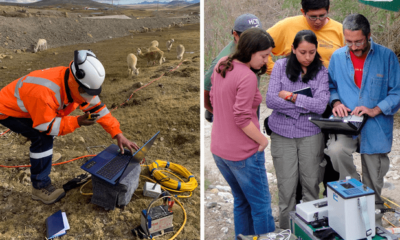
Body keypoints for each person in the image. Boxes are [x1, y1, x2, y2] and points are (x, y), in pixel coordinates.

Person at [0, 50, 139, 205]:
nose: (89, 97)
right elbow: (46, 126)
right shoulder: (45, 92)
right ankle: (40, 187)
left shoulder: (76, 83)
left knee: (46, 135)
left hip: (31, 107)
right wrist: (77, 121)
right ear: (75, 83)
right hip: (7, 110)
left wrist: (117, 133)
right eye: (86, 92)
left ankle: (42, 157)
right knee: (42, 137)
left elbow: (98, 109)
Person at [326, 13, 400, 226]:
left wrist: (376, 109)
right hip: (348, 124)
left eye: (358, 41)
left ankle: (373, 215)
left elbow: (397, 91)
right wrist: (336, 102)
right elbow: (330, 86)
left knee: (374, 176)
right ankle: (354, 190)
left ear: (369, 35)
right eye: (348, 42)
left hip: (376, 125)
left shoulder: (387, 57)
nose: (354, 46)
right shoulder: (338, 57)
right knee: (336, 150)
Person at [266, 0, 344, 200]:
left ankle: (325, 205)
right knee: (293, 170)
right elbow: (260, 44)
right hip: (290, 108)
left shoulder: (340, 30)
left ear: (329, 10)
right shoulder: (287, 26)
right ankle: (296, 206)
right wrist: (273, 72)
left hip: (327, 102)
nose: (318, 20)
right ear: (303, 12)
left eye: (322, 15)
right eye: (312, 16)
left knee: (325, 160)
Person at [210, 28, 275, 238]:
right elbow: (241, 118)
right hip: (243, 153)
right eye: (264, 55)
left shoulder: (223, 63)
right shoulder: (246, 76)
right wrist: (262, 140)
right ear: (250, 50)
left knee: (241, 201)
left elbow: (213, 100)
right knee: (261, 207)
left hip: (219, 150)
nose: (266, 61)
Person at [266, 30, 330, 229]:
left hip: (310, 133)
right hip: (282, 133)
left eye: (312, 52)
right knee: (286, 188)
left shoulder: (321, 72)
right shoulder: (280, 66)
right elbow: (270, 100)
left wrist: (291, 97)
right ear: (293, 49)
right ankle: (287, 231)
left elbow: (321, 106)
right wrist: (304, 106)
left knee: (311, 185)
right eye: (303, 52)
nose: (308, 57)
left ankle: (311, 231)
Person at [204, 13, 262, 115]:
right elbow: (205, 90)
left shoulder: (255, 50)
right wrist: (216, 114)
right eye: (249, 36)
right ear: (236, 35)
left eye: (258, 34)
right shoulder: (223, 61)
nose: (256, 39)